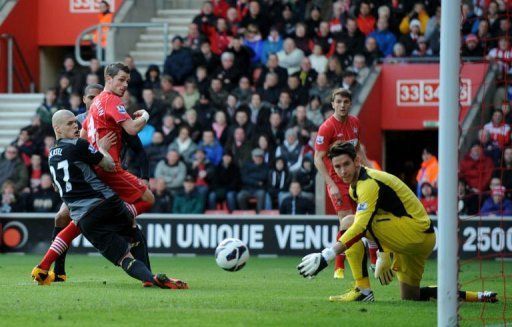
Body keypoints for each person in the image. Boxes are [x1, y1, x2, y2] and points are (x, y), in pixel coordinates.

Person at [298, 142, 497, 303]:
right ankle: (478, 296)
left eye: (346, 164)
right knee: (411, 296)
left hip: (414, 233)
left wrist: (327, 255)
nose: (342, 170)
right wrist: (383, 253)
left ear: (357, 161)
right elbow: (380, 218)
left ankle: (363, 290)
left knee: (350, 221)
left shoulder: (369, 183)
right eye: (337, 167)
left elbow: (360, 226)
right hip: (418, 240)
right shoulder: (355, 188)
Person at [31, 110, 187, 290]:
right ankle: (150, 277)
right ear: (57, 128)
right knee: (133, 229)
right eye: (70, 123)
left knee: (123, 258)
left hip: (88, 215)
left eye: (75, 122)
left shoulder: (51, 155)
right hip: (110, 204)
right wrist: (103, 149)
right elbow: (108, 164)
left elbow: (58, 186)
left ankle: (150, 278)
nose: (75, 125)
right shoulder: (79, 145)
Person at [313, 88, 376, 280]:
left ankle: (373, 261)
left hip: (356, 178)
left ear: (350, 103)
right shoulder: (326, 127)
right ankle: (339, 266)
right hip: (338, 181)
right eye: (338, 101)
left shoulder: (355, 122)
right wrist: (330, 183)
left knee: (366, 218)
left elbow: (358, 149)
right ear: (332, 104)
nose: (342, 105)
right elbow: (318, 157)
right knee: (346, 221)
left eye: (346, 102)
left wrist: (370, 168)